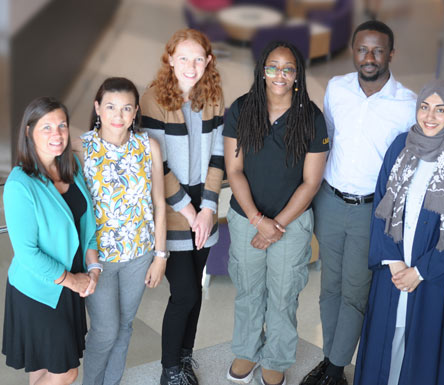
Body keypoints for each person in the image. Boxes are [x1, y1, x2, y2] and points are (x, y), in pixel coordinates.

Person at [301, 21, 416, 385]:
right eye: (362, 49)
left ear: (391, 54)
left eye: (377, 50)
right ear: (352, 51)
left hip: (372, 210)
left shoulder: (409, 104)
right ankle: (329, 360)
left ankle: (336, 370)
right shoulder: (336, 88)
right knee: (328, 287)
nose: (369, 57)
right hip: (330, 202)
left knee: (354, 291)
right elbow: (326, 141)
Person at [353, 79, 444, 385]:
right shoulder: (401, 145)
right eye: (424, 107)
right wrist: (393, 262)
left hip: (432, 277)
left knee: (420, 352)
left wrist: (420, 272)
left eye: (440, 109)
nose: (430, 116)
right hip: (393, 269)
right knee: (383, 344)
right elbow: (381, 204)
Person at [224, 41, 328, 385]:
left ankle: (277, 357)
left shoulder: (311, 117)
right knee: (248, 289)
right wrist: (257, 220)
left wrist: (276, 225)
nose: (279, 75)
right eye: (273, 67)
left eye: (288, 68)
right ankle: (245, 350)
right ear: (262, 70)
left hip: (292, 223)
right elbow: (234, 170)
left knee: (284, 294)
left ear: (297, 75)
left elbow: (311, 182)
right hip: (245, 219)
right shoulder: (241, 109)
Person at [140, 28, 225, 385]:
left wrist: (207, 208)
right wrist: (188, 210)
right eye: (183, 58)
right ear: (170, 59)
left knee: (196, 293)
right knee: (185, 292)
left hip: (204, 204)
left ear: (208, 61)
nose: (191, 66)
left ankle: (185, 358)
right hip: (169, 205)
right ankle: (169, 369)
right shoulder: (152, 99)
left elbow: (219, 155)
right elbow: (156, 165)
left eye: (198, 59)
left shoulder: (214, 97)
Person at [2, 97, 100, 385]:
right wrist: (73, 280)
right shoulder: (20, 184)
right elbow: (27, 253)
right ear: (29, 132)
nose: (56, 134)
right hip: (39, 291)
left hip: (69, 285)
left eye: (62, 126)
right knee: (65, 371)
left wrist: (93, 269)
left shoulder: (72, 166)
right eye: (46, 127)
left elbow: (88, 227)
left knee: (43, 367)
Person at [79, 77, 167, 385]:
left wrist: (160, 255)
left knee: (126, 325)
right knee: (105, 330)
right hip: (98, 259)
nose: (118, 116)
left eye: (126, 108)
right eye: (111, 107)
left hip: (139, 255)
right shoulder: (81, 146)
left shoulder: (148, 145)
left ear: (135, 112)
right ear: (98, 109)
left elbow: (158, 201)